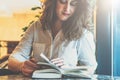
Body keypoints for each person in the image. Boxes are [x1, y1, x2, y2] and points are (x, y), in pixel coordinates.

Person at [8, 0, 97, 77]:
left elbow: (90, 68)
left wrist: (69, 69)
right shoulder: (36, 27)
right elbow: (14, 59)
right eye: (62, 1)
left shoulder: (83, 33)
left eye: (73, 4)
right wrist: (22, 65)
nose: (67, 8)